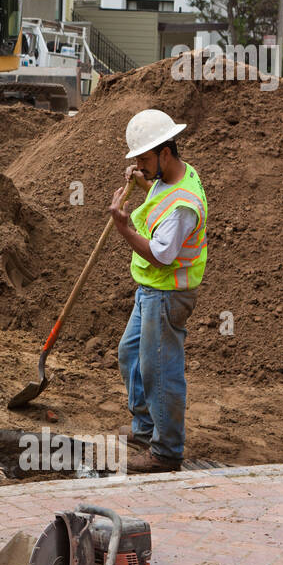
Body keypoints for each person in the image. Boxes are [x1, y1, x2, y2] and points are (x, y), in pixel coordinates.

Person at [107, 109, 208, 474]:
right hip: (151, 289)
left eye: (145, 159)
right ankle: (146, 427)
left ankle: (165, 451)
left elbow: (163, 256)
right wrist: (146, 180)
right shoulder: (173, 175)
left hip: (167, 292)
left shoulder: (184, 206)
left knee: (160, 370)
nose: (139, 165)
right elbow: (160, 200)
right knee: (130, 353)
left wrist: (124, 229)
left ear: (166, 152)